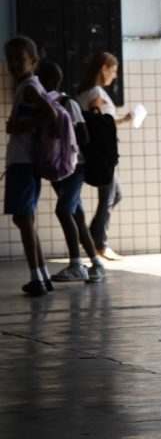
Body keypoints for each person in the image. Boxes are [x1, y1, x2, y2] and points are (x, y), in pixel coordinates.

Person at [37, 61, 106, 283]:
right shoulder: (45, 103)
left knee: (63, 210)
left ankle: (76, 264)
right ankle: (96, 264)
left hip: (75, 167)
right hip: (58, 168)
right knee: (76, 215)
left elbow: (83, 135)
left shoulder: (67, 103)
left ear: (48, 80)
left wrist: (66, 141)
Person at [4, 37, 58, 296]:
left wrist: (21, 126)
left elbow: (51, 114)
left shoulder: (28, 86)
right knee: (25, 219)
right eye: (9, 59)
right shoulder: (28, 86)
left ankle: (37, 277)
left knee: (23, 219)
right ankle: (42, 274)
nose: (13, 64)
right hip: (26, 163)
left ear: (33, 61)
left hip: (23, 163)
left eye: (19, 59)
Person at [77, 52, 131, 261]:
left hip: (96, 152)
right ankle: (98, 243)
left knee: (114, 194)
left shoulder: (86, 91)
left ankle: (92, 237)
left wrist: (122, 120)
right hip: (100, 154)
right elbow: (97, 122)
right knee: (108, 197)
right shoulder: (96, 93)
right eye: (114, 70)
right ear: (104, 69)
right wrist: (124, 120)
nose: (115, 76)